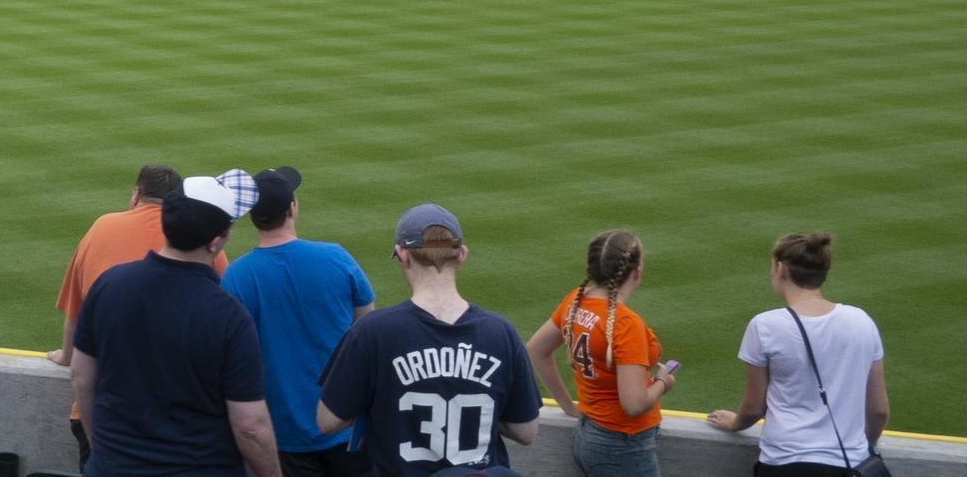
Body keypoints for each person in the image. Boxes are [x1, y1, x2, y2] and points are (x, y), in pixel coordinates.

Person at [72, 173, 279, 477]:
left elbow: (81, 375)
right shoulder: (231, 317)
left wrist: (104, 451)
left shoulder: (110, 285)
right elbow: (250, 426)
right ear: (216, 241)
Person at [316, 204, 542, 477]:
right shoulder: (502, 332)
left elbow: (327, 421)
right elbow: (526, 431)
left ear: (402, 254)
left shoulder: (372, 331)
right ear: (461, 255)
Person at [50, 163, 230, 465]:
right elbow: (226, 311)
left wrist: (66, 355)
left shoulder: (102, 227)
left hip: (107, 418)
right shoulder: (200, 240)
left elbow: (76, 315)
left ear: (136, 195)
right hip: (181, 418)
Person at [222, 167, 374, 477]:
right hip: (344, 424)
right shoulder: (337, 257)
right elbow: (368, 331)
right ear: (292, 207)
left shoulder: (236, 277)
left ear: (253, 216)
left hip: (282, 433)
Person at [706, 233, 890, 477]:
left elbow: (753, 408)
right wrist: (862, 447)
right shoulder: (862, 321)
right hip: (849, 464)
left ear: (781, 269)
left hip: (785, 462)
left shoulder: (765, 326)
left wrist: (734, 423)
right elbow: (879, 410)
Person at [526, 230, 675, 477]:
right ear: (636, 271)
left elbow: (535, 349)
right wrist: (662, 382)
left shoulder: (576, 300)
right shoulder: (626, 324)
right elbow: (634, 404)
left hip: (588, 433)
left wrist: (567, 406)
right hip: (623, 445)